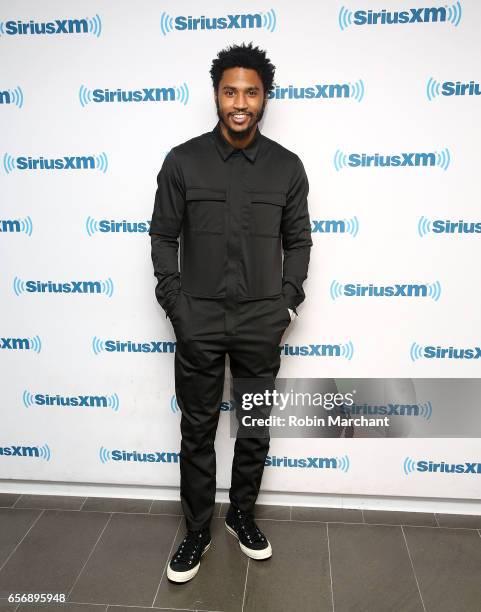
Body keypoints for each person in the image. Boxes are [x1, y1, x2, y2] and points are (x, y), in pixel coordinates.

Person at [148, 42, 312, 583]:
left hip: (261, 320)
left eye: (251, 92)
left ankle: (242, 515)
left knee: (255, 425)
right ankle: (196, 529)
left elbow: (300, 241)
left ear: (265, 97)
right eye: (229, 91)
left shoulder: (287, 167)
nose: (239, 102)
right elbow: (163, 235)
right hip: (197, 317)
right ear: (216, 94)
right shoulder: (182, 161)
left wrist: (287, 303)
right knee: (197, 428)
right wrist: (175, 303)